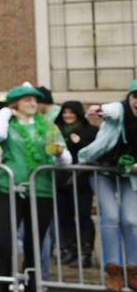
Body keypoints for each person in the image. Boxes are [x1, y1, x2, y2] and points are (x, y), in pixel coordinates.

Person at [0, 84, 69, 292]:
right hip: (8, 188)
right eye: (27, 100)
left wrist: (61, 154)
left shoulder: (49, 128)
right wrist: (4, 112)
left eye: (35, 100)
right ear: (16, 105)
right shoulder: (8, 125)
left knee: (35, 245)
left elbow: (66, 161)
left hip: (40, 190)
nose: (33, 103)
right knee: (3, 243)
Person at [80, 81, 137, 292]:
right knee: (111, 216)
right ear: (129, 98)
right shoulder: (120, 111)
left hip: (129, 174)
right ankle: (113, 269)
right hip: (102, 169)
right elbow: (110, 110)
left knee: (131, 220)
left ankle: (133, 269)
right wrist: (99, 109)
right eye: (135, 97)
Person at [56, 100, 97, 268]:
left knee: (83, 216)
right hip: (61, 181)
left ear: (78, 113)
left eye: (71, 112)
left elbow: (94, 151)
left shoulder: (91, 130)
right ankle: (71, 250)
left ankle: (85, 254)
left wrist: (78, 141)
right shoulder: (56, 130)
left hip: (81, 182)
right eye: (65, 112)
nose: (68, 116)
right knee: (65, 217)